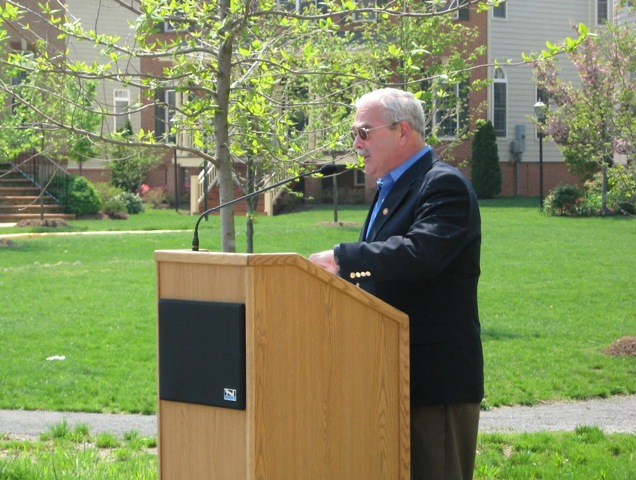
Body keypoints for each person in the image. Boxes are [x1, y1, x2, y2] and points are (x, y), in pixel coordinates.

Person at [309, 88, 483, 480]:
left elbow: (421, 254)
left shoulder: (443, 185)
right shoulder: (391, 187)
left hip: (432, 382)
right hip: (383, 375)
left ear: (402, 132)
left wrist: (341, 258)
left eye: (364, 132)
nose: (357, 143)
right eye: (355, 133)